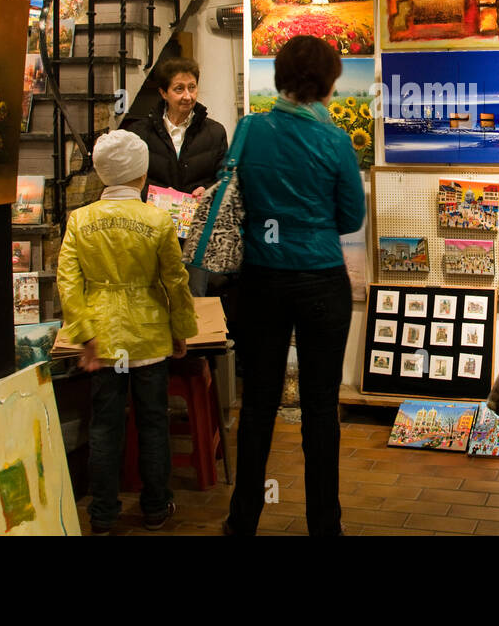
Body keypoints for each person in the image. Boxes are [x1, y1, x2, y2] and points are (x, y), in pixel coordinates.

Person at [225, 35, 365, 537]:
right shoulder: (334, 140)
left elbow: (235, 199)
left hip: (262, 279)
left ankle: (243, 519)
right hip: (321, 280)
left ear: (280, 77)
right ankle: (324, 525)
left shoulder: (250, 130)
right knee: (320, 406)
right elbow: (350, 217)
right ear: (328, 82)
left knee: (258, 401)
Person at [56, 130, 197, 534]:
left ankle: (102, 514)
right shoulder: (156, 219)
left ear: (102, 174)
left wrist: (84, 334)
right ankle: (155, 507)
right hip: (149, 336)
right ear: (142, 174)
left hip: (103, 339)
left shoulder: (80, 221)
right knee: (154, 422)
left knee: (104, 425)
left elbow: (68, 283)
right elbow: (176, 281)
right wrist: (182, 329)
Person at [121, 56, 228, 294]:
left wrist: (209, 190)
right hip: (151, 230)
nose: (187, 96)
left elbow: (224, 177)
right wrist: (156, 193)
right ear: (163, 93)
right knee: (154, 296)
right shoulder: (139, 132)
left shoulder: (214, 131)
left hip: (195, 233)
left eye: (192, 87)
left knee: (194, 298)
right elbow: (130, 178)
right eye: (179, 89)